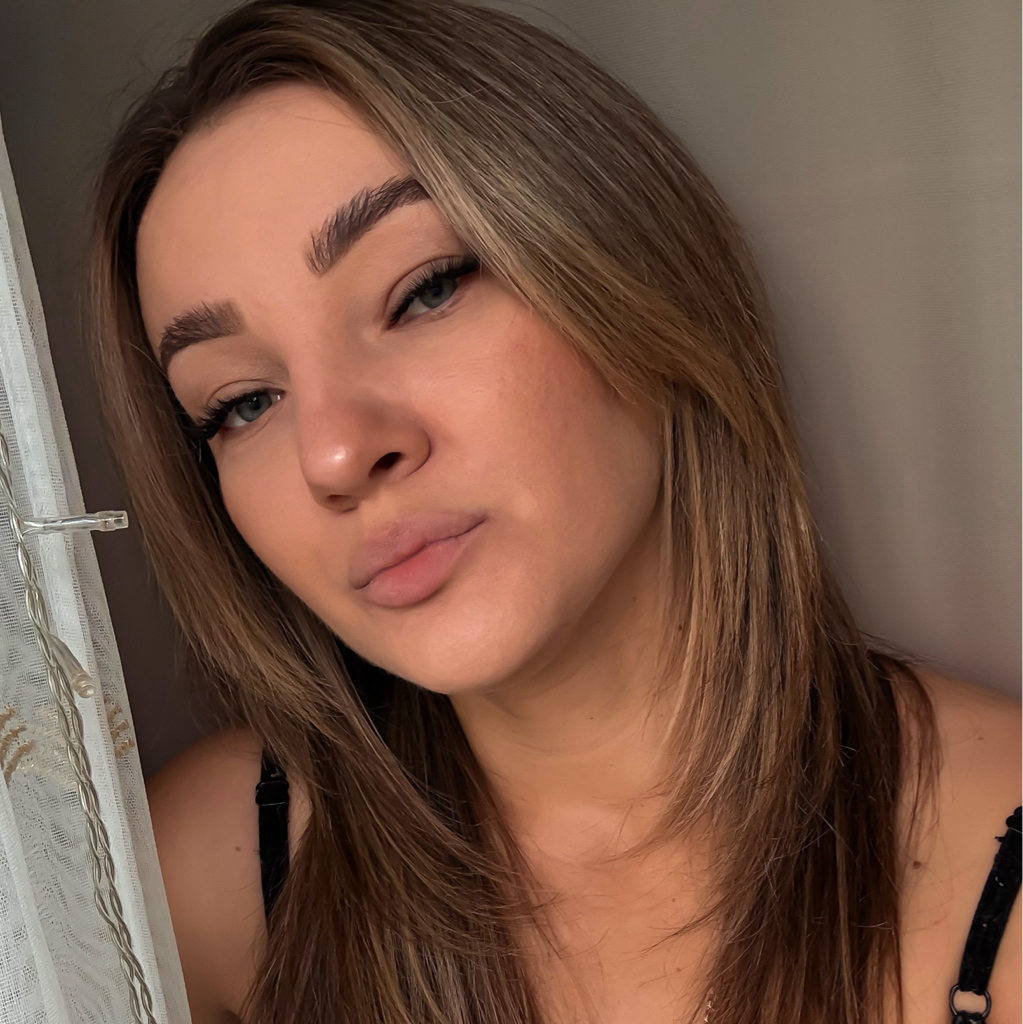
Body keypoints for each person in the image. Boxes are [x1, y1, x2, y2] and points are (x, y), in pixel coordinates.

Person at [86, 2, 1020, 1022]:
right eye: (242, 403)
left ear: (637, 271)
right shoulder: (205, 883)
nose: (336, 454)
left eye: (424, 291)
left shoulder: (996, 873)